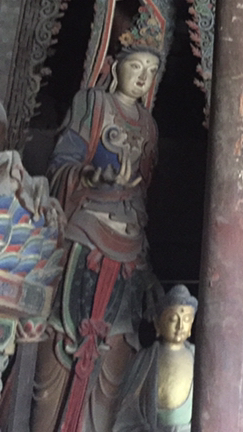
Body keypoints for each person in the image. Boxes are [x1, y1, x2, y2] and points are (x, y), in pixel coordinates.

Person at [30, 47, 162, 432]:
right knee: (55, 360)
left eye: (150, 70)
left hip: (130, 252)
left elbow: (143, 197)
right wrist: (92, 178)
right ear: (114, 66)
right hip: (82, 238)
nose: (142, 77)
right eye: (135, 66)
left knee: (111, 378)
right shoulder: (93, 103)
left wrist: (148, 269)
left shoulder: (150, 127)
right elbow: (59, 168)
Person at [114, 285, 197, 432]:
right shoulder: (144, 359)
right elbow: (126, 411)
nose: (180, 326)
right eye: (173, 319)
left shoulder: (197, 358)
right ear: (158, 324)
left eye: (186, 319)